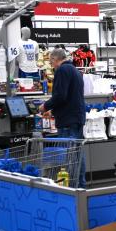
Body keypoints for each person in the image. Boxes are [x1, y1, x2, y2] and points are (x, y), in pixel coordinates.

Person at [39, 48, 86, 186]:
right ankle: (80, 185)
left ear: (55, 59)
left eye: (51, 62)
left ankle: (70, 187)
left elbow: (60, 95)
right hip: (76, 118)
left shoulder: (62, 70)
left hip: (67, 121)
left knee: (68, 156)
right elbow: (71, 98)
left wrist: (45, 107)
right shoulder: (75, 71)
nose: (51, 66)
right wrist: (53, 112)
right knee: (77, 154)